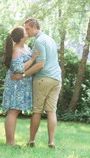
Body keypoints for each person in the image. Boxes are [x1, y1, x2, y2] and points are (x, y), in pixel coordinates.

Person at [10, 17, 62, 148]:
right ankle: (51, 142)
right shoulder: (50, 39)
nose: (26, 32)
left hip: (43, 79)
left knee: (37, 111)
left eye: (27, 29)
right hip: (57, 79)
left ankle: (31, 141)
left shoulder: (39, 41)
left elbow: (40, 65)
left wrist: (22, 75)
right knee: (51, 112)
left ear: (34, 27)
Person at [2, 26, 38, 146]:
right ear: (23, 37)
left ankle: (10, 142)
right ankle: (10, 142)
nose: (27, 32)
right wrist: (32, 59)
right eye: (25, 32)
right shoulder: (17, 50)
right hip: (15, 84)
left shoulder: (25, 47)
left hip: (22, 83)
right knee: (13, 111)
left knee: (16, 111)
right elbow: (18, 69)